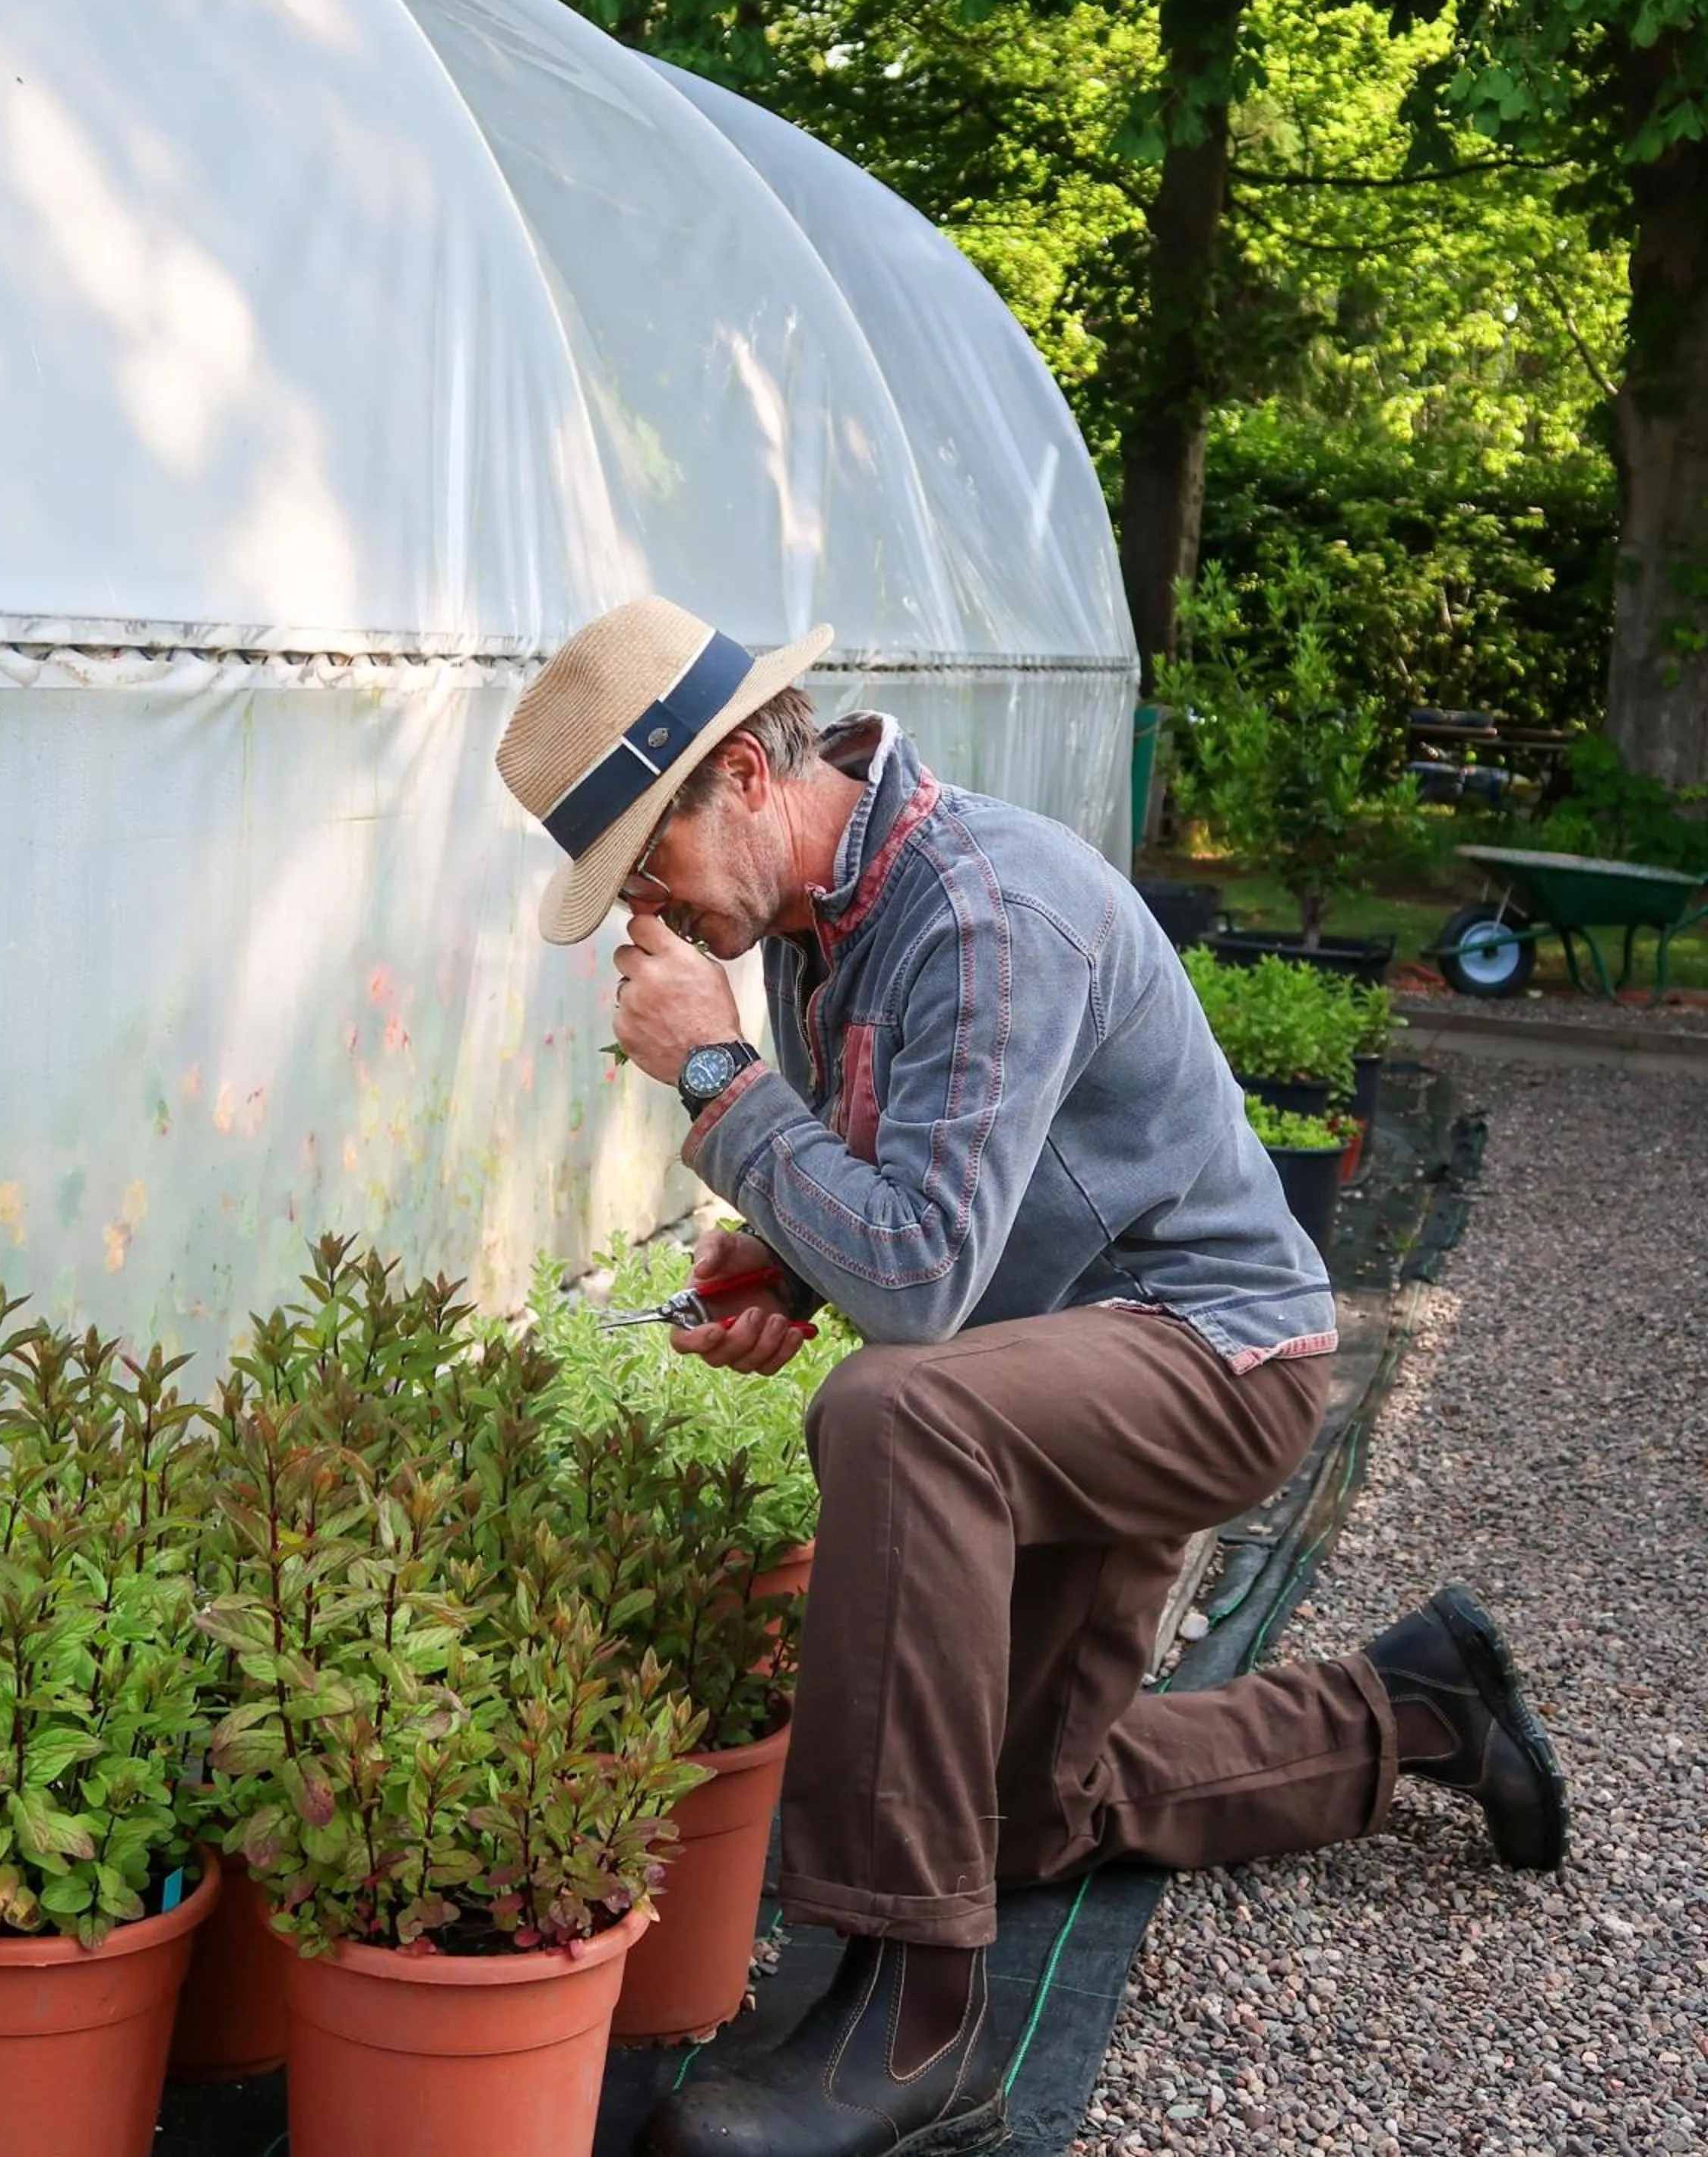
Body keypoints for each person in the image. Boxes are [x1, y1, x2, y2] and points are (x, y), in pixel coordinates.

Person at [495, 597, 1567, 2157]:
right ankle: (1414, 1708)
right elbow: (933, 1194)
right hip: (1068, 1364)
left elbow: (923, 1283)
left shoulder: (983, 908)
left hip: (1209, 1358)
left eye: (641, 863)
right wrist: (791, 1263)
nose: (636, 914)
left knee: (892, 1411)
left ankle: (917, 2018)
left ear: (738, 773)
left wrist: (720, 1079)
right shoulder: (821, 928)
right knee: (1020, 1819)